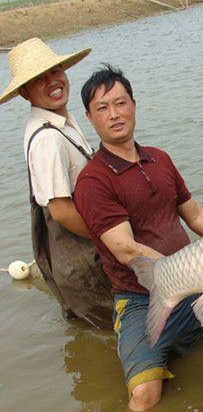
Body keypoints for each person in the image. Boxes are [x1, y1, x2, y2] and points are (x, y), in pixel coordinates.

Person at [73, 64, 203, 412]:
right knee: (144, 397)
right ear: (89, 118)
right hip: (140, 298)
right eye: (102, 108)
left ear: (134, 105)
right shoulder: (93, 181)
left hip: (190, 287)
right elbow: (125, 249)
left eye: (120, 103)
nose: (114, 114)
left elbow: (196, 215)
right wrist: (191, 267)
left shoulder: (160, 159)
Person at [0, 38, 113, 329]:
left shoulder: (61, 120)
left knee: (93, 342)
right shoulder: (48, 139)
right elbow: (61, 210)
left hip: (81, 260)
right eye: (39, 79)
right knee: (125, 332)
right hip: (85, 264)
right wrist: (113, 242)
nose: (52, 81)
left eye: (54, 70)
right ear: (25, 93)